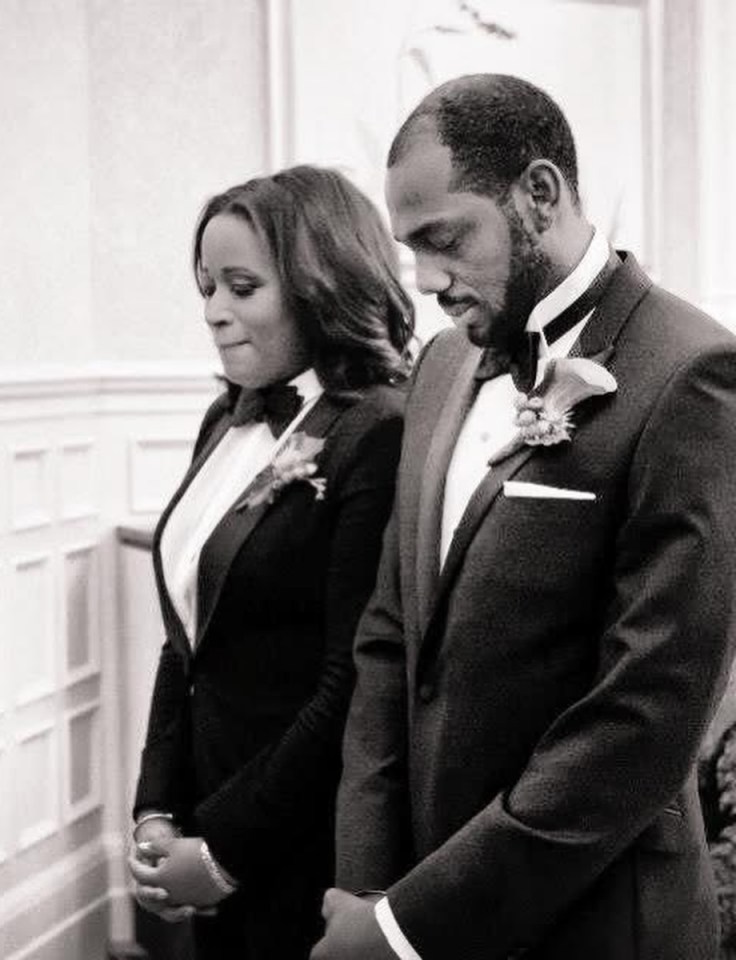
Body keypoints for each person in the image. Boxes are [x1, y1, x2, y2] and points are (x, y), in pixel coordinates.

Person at [312, 74, 736, 960]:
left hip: (599, 922)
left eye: (446, 239)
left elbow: (643, 718)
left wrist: (408, 926)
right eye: (410, 248)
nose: (426, 280)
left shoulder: (694, 374)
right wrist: (366, 889)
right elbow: (390, 641)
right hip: (418, 901)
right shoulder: (437, 369)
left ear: (538, 194)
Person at [128, 164, 414, 960]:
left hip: (302, 841)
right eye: (206, 288)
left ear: (320, 283)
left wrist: (225, 849)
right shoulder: (227, 414)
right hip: (202, 817)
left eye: (242, 287)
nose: (214, 313)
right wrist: (155, 810)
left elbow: (352, 682)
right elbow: (185, 640)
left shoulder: (377, 432)